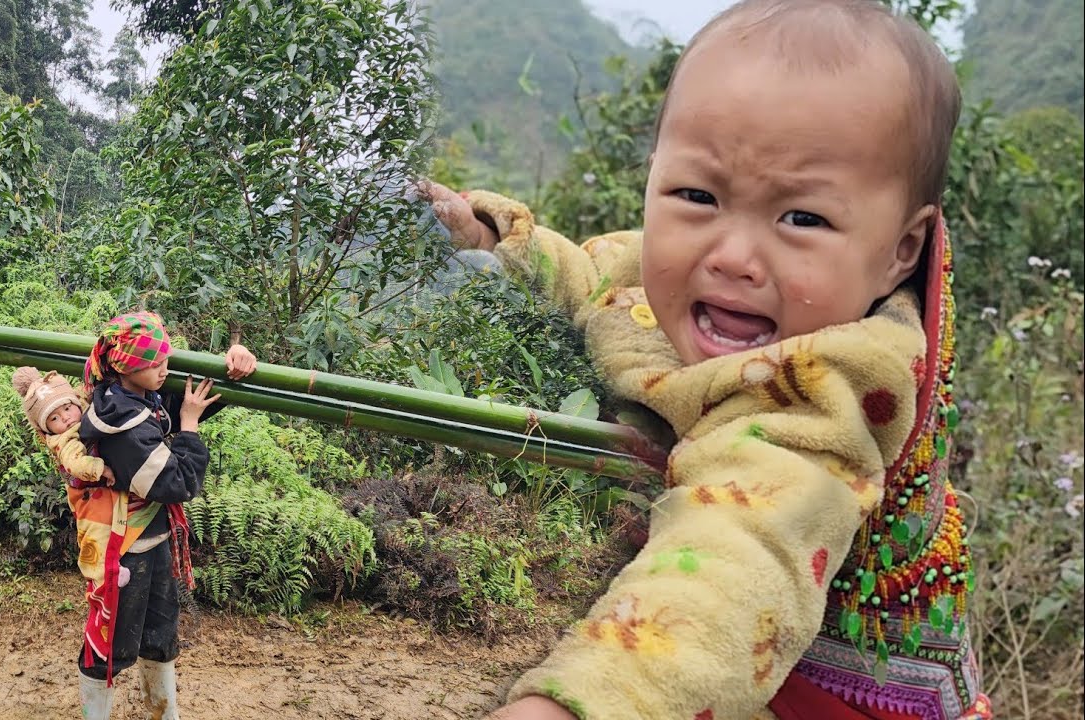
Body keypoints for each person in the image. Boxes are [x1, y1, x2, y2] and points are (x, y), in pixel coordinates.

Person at [420, 1, 991, 718]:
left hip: (828, 692)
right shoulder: (678, 276)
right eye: (697, 195)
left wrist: (580, 705)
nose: (732, 256)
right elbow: (599, 276)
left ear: (901, 251)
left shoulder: (825, 390)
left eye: (802, 218)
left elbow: (734, 562)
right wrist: (495, 238)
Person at [73, 310, 257, 720]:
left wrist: (235, 361)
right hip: (122, 554)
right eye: (154, 363)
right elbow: (178, 484)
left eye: (166, 360)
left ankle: (163, 712)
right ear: (127, 366)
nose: (165, 370)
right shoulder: (119, 421)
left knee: (159, 636)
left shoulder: (139, 395)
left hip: (153, 542)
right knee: (110, 646)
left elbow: (176, 407)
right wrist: (189, 427)